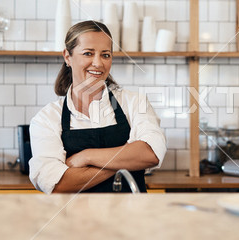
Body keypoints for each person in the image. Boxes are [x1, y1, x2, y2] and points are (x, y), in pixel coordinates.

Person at [29, 20, 166, 194]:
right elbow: (56, 184)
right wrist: (125, 160)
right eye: (88, 53)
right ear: (67, 57)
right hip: (74, 219)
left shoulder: (134, 103)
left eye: (105, 55)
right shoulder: (47, 118)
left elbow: (151, 153)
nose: (98, 63)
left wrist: (85, 157)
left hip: (131, 218)